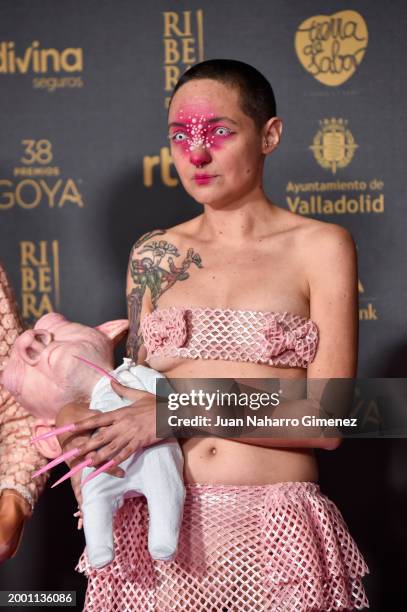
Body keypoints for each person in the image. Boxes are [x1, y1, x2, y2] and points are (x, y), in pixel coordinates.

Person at [57, 60, 369, 610]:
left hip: (275, 534)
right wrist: (79, 420)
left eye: (218, 132)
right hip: (158, 539)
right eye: (180, 136)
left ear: (268, 134)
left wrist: (172, 410)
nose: (196, 154)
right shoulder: (153, 256)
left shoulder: (321, 247)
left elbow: (331, 417)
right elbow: (130, 397)